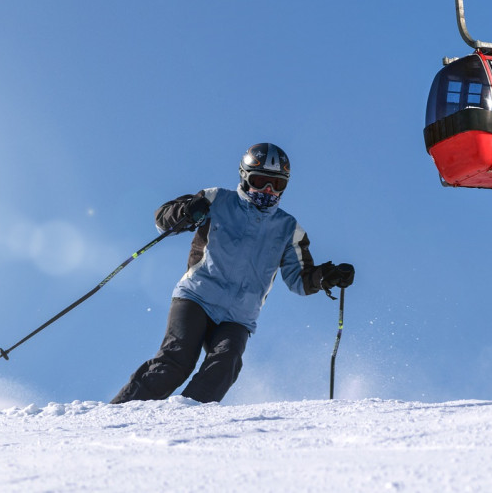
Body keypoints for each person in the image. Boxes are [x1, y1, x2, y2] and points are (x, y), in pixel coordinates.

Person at [111, 142, 355, 404]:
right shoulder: (217, 199)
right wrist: (188, 212)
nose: (268, 190)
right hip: (197, 297)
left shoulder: (288, 229)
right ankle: (120, 413)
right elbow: (163, 220)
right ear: (244, 176)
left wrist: (326, 276)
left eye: (277, 184)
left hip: (238, 316)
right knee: (176, 361)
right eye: (260, 181)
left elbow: (300, 280)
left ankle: (186, 419)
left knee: (225, 365)